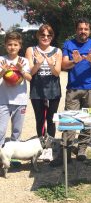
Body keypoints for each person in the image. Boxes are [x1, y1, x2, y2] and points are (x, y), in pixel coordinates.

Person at [50, 17, 91, 167]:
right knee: (69, 120)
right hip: (73, 88)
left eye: (85, 29)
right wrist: (76, 60)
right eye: (80, 29)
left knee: (88, 119)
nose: (83, 31)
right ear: (76, 30)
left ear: (89, 31)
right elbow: (64, 65)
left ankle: (82, 149)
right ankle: (65, 152)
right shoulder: (69, 44)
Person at [25, 24, 62, 161]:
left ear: (52, 37)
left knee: (51, 120)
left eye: (48, 35)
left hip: (53, 90)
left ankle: (49, 147)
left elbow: (57, 73)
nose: (45, 38)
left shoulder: (57, 51)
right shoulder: (31, 50)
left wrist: (51, 64)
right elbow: (30, 73)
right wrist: (38, 63)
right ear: (38, 36)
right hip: (37, 90)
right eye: (43, 35)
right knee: (40, 119)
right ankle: (41, 145)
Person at [0, 31, 32, 147]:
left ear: (20, 46)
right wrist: (3, 71)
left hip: (20, 101)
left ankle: (14, 156)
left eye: (15, 44)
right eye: (9, 44)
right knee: (1, 130)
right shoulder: (1, 59)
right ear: (5, 45)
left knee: (17, 131)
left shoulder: (24, 61)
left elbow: (30, 78)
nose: (12, 47)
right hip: (3, 101)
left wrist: (21, 70)